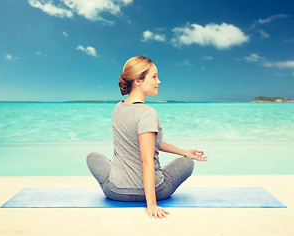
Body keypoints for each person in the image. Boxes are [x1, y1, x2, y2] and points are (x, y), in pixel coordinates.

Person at [86, 56, 208, 219]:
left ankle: (117, 166)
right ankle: (126, 172)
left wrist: (184, 151)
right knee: (187, 163)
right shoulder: (147, 113)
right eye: (154, 76)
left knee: (93, 157)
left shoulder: (118, 109)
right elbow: (147, 159)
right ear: (137, 80)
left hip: (117, 191)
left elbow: (151, 143)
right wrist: (151, 204)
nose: (159, 81)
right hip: (157, 191)